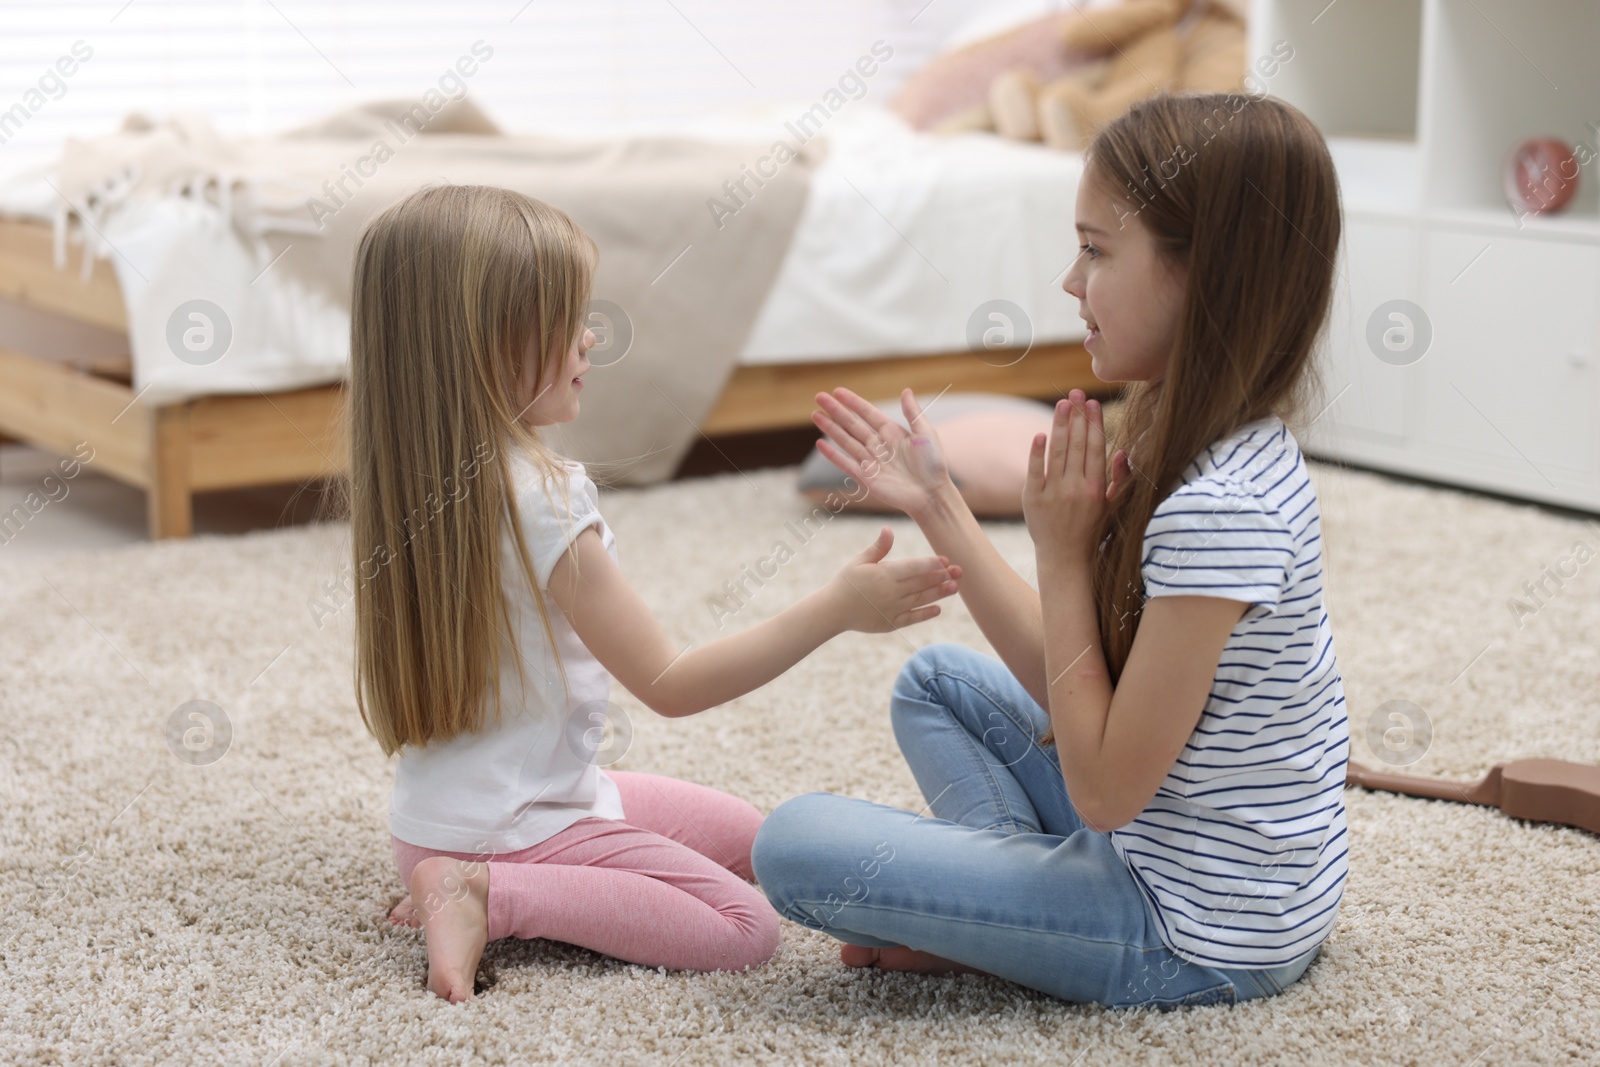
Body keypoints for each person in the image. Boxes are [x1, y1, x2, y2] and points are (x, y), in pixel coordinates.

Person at [750, 91, 1351, 1008]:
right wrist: (941, 503)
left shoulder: (1220, 510)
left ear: (1203, 276)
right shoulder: (1208, 442)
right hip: (1172, 844)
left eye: (1097, 249)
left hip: (1193, 929)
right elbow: (1087, 689)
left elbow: (1104, 790)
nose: (1071, 282)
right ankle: (1015, 911)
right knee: (936, 682)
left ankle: (1014, 922)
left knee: (790, 844)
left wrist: (1064, 558)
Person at [345, 184, 962, 1002]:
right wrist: (838, 608)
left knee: (753, 839)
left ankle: (452, 874)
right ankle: (485, 893)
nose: (589, 336)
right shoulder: (544, 500)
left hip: (438, 824)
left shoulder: (414, 476)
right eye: (566, 321)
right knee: (746, 927)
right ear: (485, 344)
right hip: (520, 828)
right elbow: (671, 684)